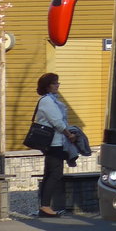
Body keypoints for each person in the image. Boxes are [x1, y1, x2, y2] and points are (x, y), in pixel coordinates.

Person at [34, 72, 73, 217]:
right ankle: (45, 206)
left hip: (55, 142)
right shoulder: (47, 101)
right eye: (55, 83)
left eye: (58, 83)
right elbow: (57, 121)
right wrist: (69, 134)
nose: (58, 85)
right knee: (55, 174)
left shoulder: (52, 100)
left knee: (49, 174)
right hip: (53, 143)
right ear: (47, 86)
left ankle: (44, 206)